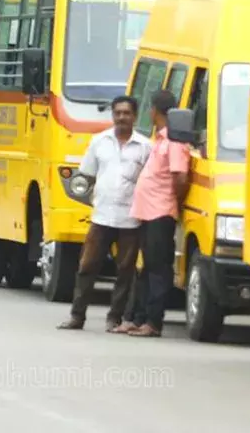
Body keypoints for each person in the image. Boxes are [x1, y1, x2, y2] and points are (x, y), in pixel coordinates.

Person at [57, 95, 151, 332]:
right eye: (117, 113)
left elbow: (148, 183)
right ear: (112, 115)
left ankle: (115, 318)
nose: (121, 117)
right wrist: (94, 200)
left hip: (130, 219)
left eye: (126, 113)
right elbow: (86, 177)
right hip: (101, 217)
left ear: (134, 116)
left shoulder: (144, 147)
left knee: (125, 271)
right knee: (87, 267)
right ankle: (77, 316)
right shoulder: (99, 142)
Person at [113, 90, 191, 338]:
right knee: (146, 269)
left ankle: (154, 322)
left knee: (158, 269)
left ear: (154, 111)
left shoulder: (176, 142)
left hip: (160, 212)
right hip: (148, 212)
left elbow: (180, 176)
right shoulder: (161, 139)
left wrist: (172, 200)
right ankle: (137, 318)